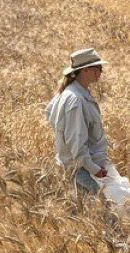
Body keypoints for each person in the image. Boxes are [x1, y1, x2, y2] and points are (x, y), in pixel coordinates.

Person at [45, 48, 111, 195]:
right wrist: (95, 169)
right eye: (98, 68)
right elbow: (76, 141)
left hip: (81, 167)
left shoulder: (71, 92)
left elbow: (49, 113)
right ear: (86, 70)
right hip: (84, 170)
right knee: (102, 210)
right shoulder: (76, 99)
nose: (101, 71)